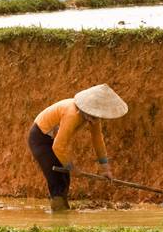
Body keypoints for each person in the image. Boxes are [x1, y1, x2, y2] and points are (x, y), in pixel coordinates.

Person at [27, 84, 127, 212]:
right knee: (57, 179)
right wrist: (71, 167)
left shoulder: (93, 117)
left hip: (52, 139)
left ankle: (61, 211)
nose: (96, 120)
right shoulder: (72, 114)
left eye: (98, 117)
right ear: (86, 110)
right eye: (94, 117)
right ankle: (59, 214)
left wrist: (105, 168)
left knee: (64, 178)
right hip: (40, 138)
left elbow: (98, 140)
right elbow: (58, 146)